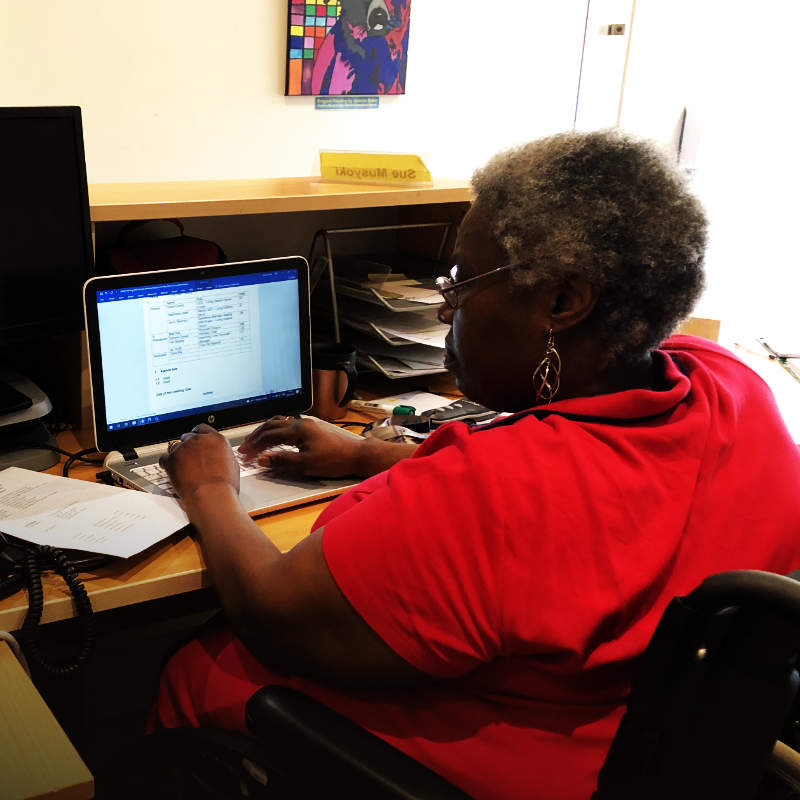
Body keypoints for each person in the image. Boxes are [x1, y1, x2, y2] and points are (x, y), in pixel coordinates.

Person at [151, 130, 800, 799]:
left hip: (534, 766)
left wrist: (209, 488)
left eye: (463, 280)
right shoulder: (733, 384)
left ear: (561, 302)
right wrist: (369, 453)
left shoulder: (498, 488)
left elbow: (273, 615)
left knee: (201, 665)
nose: (444, 306)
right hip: (659, 743)